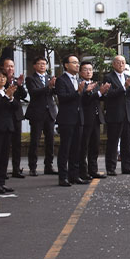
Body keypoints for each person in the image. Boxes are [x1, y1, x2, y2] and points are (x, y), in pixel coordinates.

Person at [103, 55, 130, 175]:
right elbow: (109, 94)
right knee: (113, 143)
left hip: (127, 114)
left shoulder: (128, 77)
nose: (121, 65)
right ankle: (111, 168)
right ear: (113, 64)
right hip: (114, 115)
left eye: (123, 62)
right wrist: (124, 87)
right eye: (118, 62)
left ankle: (126, 167)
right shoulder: (108, 77)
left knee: (127, 142)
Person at [55, 54, 87, 186]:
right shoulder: (61, 80)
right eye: (74, 62)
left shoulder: (79, 80)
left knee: (76, 148)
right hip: (66, 119)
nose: (77, 65)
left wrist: (87, 91)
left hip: (79, 117)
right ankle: (63, 177)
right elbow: (62, 98)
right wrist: (77, 92)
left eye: (78, 62)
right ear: (66, 65)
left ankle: (75, 175)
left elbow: (81, 99)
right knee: (65, 148)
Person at [25, 56, 58, 176]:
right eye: (39, 63)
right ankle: (32, 167)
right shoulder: (30, 78)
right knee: (35, 141)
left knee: (50, 140)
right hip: (37, 113)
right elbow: (34, 93)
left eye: (44, 64)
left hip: (50, 112)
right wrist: (48, 86)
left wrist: (54, 86)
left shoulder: (49, 77)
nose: (42, 66)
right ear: (34, 66)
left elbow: (54, 92)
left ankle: (48, 166)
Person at [78, 62, 110, 180]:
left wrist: (105, 92)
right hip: (85, 119)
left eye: (90, 70)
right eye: (85, 70)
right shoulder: (80, 84)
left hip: (96, 118)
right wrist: (98, 93)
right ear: (81, 72)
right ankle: (83, 171)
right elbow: (85, 101)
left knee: (95, 146)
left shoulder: (95, 84)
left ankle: (93, 170)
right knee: (84, 146)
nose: (88, 72)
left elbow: (100, 98)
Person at [2, 58, 28, 179]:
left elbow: (23, 95)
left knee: (17, 144)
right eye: (8, 66)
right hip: (5, 115)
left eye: (12, 66)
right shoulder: (0, 80)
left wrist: (20, 85)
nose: (10, 69)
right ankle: (2, 170)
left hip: (16, 115)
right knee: (5, 144)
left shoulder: (17, 80)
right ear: (3, 67)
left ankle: (16, 169)